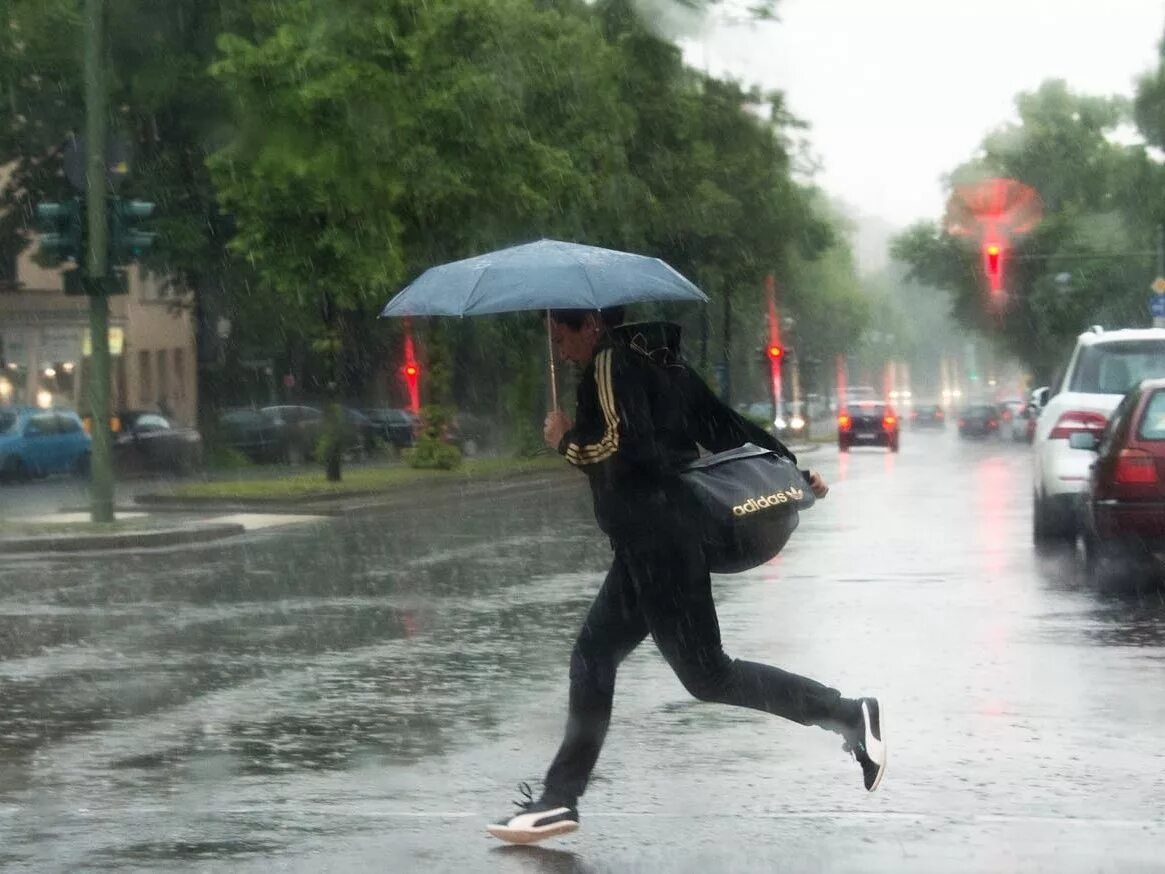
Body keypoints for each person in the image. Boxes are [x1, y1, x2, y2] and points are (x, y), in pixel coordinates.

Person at [487, 308, 885, 845]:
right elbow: (721, 423)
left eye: (563, 332)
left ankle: (847, 714)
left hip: (657, 539)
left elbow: (625, 449)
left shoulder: (609, 364)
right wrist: (788, 464)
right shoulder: (661, 360)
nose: (559, 345)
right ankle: (559, 799)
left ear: (593, 324)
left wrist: (565, 440)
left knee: (706, 675)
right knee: (595, 655)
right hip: (656, 539)